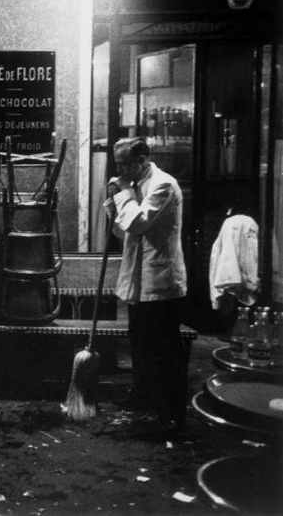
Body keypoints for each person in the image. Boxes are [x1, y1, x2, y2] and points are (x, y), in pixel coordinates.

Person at [104, 137, 188, 433]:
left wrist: (123, 194)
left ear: (142, 160)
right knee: (140, 343)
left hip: (161, 282)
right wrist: (114, 202)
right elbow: (121, 228)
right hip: (138, 280)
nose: (122, 169)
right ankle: (143, 397)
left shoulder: (163, 185)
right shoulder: (136, 185)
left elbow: (138, 222)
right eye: (118, 164)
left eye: (126, 163)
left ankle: (172, 410)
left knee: (165, 349)